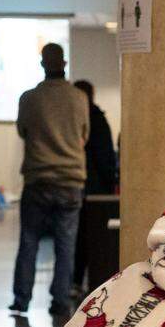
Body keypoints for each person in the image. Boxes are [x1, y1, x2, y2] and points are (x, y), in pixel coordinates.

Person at [10, 43, 89, 317]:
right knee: (66, 245)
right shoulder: (79, 98)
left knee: (29, 240)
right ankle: (60, 301)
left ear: (42, 65)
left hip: (38, 179)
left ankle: (21, 300)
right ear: (64, 64)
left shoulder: (28, 98)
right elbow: (84, 135)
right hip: (70, 181)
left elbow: (23, 131)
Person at [71, 80, 118, 294]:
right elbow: (105, 156)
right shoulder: (98, 120)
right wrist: (111, 184)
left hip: (78, 184)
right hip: (96, 189)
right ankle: (94, 282)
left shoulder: (71, 120)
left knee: (77, 238)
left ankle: (75, 282)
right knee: (94, 238)